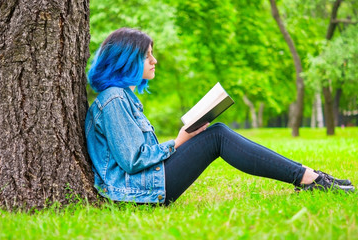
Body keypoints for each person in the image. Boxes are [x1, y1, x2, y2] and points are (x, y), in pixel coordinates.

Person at [85, 28, 354, 205]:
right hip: (136, 190)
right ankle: (310, 178)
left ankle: (311, 176)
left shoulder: (124, 99)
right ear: (126, 60)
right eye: (147, 55)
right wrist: (178, 142)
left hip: (145, 182)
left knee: (217, 133)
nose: (154, 60)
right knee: (218, 136)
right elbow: (133, 160)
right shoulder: (114, 99)